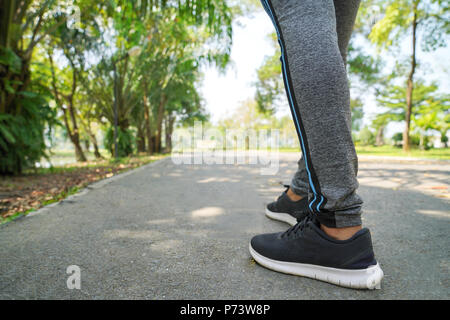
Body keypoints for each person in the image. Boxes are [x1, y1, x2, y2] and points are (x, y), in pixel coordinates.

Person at [249, 0, 384, 289]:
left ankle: (336, 224)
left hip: (338, 224)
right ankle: (300, 192)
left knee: (302, 14)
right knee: (329, 40)